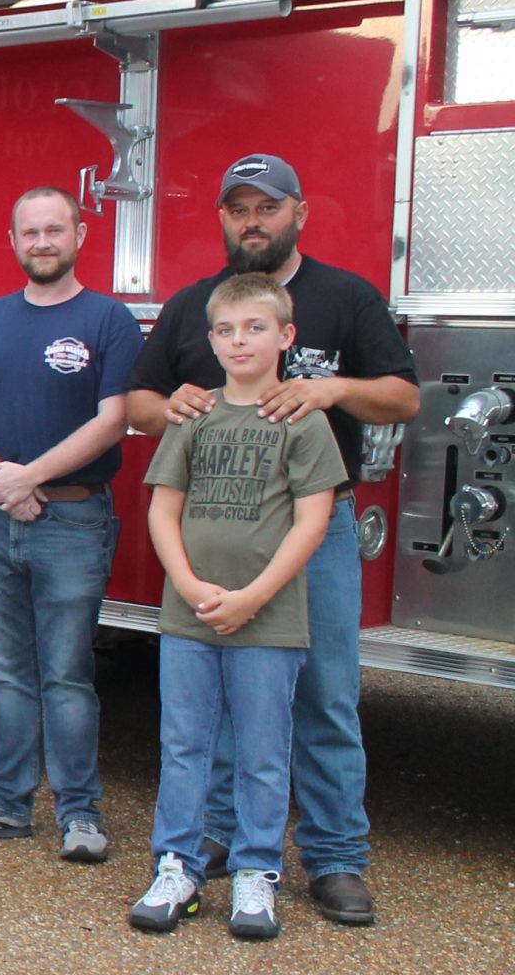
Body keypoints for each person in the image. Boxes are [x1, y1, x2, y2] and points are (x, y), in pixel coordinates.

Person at [124, 152, 418, 927]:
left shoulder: (347, 296)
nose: (252, 220)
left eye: (267, 206)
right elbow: (140, 400)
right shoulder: (196, 306)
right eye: (237, 209)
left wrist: (334, 389)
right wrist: (170, 403)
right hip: (215, 538)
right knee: (220, 705)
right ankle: (216, 844)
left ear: (300, 212)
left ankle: (333, 857)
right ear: (223, 219)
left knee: (324, 694)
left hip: (310, 534)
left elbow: (403, 396)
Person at [131, 274, 345, 941]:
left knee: (261, 749)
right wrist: (191, 586)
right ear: (211, 340)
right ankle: (178, 868)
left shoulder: (304, 423)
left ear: (286, 337)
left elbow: (312, 523)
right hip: (188, 616)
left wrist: (253, 597)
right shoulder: (194, 416)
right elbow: (163, 509)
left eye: (254, 328)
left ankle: (256, 873)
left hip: (270, 620)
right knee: (185, 745)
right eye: (225, 330)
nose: (238, 340)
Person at [0, 188, 141, 861]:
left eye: (56, 229)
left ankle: (80, 815)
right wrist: (2, 478)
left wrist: (31, 478)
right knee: (6, 673)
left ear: (81, 234)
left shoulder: (109, 320)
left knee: (67, 672)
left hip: (73, 517)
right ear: (13, 240)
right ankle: (5, 804)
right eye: (31, 231)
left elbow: (113, 419)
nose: (43, 241)